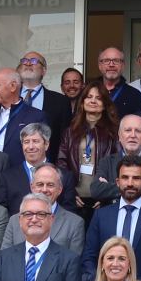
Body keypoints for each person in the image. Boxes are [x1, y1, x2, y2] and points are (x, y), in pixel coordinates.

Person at [82, 156, 141, 281]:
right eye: (125, 178)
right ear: (117, 182)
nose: (130, 183)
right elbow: (89, 254)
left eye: (136, 178)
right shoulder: (101, 215)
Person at [57, 81, 120, 218]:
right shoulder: (69, 132)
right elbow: (62, 164)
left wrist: (106, 195)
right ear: (82, 102)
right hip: (76, 198)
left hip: (103, 200)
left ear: (105, 105)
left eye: (98, 98)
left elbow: (118, 165)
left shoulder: (114, 133)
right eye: (89, 97)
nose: (93, 101)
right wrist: (69, 193)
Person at [4, 163, 86, 253]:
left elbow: (73, 263)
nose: (44, 190)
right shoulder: (14, 220)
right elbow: (5, 260)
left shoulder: (74, 223)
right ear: (32, 187)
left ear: (60, 189)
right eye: (40, 184)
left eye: (50, 185)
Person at [0, 122, 75, 214]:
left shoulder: (66, 176)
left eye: (35, 141)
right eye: (26, 142)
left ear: (46, 145)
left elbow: (69, 212)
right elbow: (1, 212)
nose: (31, 147)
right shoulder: (7, 177)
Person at [91, 115, 141, 207]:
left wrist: (110, 188)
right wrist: (139, 188)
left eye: (138, 131)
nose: (133, 135)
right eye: (128, 130)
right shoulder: (106, 161)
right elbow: (96, 190)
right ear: (119, 136)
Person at [19, 51, 74, 158]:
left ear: (44, 71)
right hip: (13, 166)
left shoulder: (61, 102)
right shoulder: (9, 97)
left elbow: (64, 140)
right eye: (24, 61)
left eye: (34, 61)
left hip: (47, 165)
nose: (28, 64)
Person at [94, 47, 141, 117]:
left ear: (123, 65)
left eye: (116, 60)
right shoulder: (88, 92)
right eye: (106, 60)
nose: (111, 65)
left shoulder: (135, 95)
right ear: (100, 65)